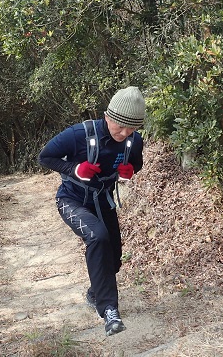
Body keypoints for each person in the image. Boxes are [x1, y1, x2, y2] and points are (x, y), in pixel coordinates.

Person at [38, 86, 145, 336]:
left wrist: (130, 171)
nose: (125, 133)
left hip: (103, 201)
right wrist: (75, 169)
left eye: (132, 128)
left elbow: (136, 163)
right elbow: (46, 157)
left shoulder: (133, 141)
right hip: (72, 200)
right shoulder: (79, 134)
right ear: (107, 117)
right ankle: (109, 311)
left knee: (114, 259)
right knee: (97, 236)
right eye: (120, 126)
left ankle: (94, 292)